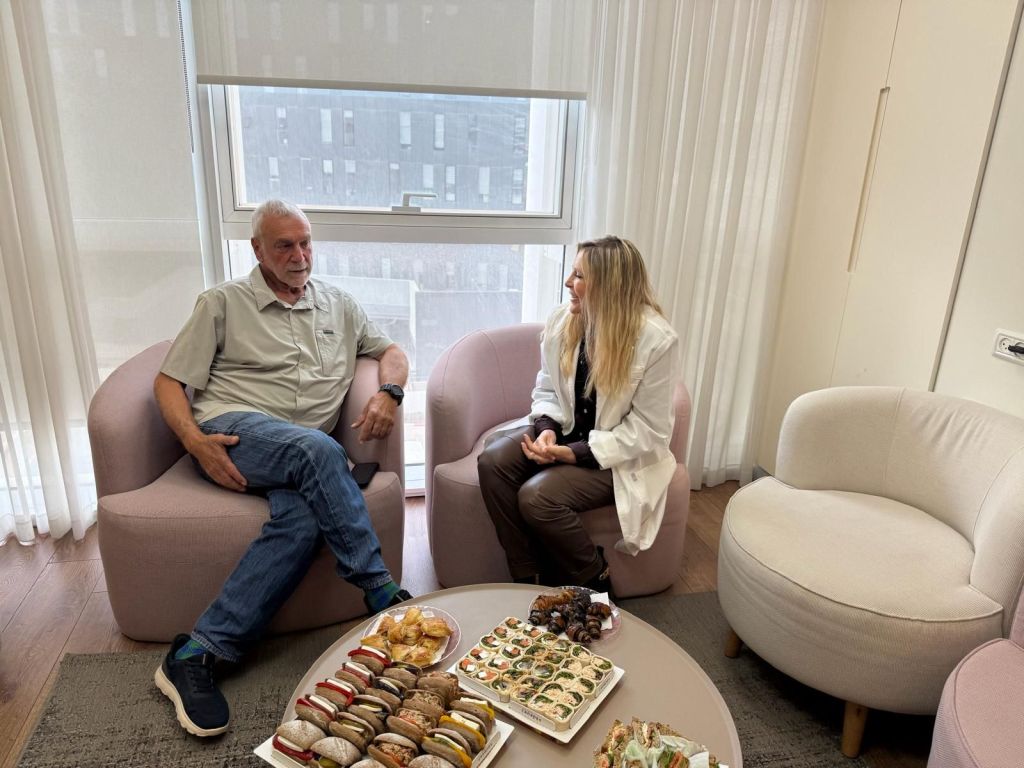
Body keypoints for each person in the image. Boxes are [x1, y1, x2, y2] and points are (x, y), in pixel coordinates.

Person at [152, 199, 412, 737]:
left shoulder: (338, 304)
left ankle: (197, 653)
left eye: (306, 243)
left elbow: (392, 351)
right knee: (319, 450)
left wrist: (389, 391)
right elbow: (168, 381)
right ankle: (382, 595)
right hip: (235, 432)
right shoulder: (223, 303)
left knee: (303, 517)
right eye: (284, 246)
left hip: (302, 453)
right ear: (257, 250)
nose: (300, 256)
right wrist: (195, 442)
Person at [477, 235, 679, 593]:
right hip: (568, 434)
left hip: (618, 457)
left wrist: (575, 453)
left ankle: (597, 582)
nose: (568, 282)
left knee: (537, 498)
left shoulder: (657, 340)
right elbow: (547, 388)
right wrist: (547, 429)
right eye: (572, 272)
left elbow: (650, 430)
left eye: (580, 275)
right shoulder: (563, 320)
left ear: (609, 286)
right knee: (493, 462)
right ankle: (529, 579)